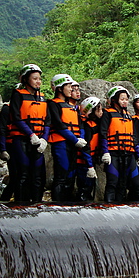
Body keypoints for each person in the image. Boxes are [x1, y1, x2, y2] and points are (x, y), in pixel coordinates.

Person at [8, 65, 50, 203]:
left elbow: (47, 121)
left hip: (38, 141)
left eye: (39, 79)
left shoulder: (43, 98)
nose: (38, 82)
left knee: (38, 177)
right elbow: (16, 117)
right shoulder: (18, 94)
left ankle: (36, 204)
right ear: (26, 79)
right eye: (35, 79)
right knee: (23, 174)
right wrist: (31, 134)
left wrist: (44, 139)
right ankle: (21, 205)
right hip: (22, 140)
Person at [48, 74, 88, 203]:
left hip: (73, 144)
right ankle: (58, 205)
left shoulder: (72, 107)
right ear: (60, 88)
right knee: (62, 175)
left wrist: (80, 139)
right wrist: (74, 140)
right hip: (61, 143)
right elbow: (59, 124)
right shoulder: (53, 104)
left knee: (71, 175)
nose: (71, 89)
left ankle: (68, 204)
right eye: (69, 86)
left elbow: (80, 125)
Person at [100, 85, 139, 203]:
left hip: (129, 154)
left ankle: (124, 208)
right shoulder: (107, 114)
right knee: (113, 182)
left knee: (130, 183)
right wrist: (105, 152)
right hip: (113, 154)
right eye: (122, 99)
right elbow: (103, 134)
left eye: (126, 99)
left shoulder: (129, 116)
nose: (125, 101)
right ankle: (109, 207)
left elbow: (133, 137)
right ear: (114, 100)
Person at [76, 96, 101, 202]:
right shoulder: (87, 126)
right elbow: (85, 147)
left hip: (91, 160)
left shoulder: (95, 124)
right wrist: (90, 165)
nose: (101, 111)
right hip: (84, 162)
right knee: (85, 187)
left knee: (90, 187)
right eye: (98, 109)